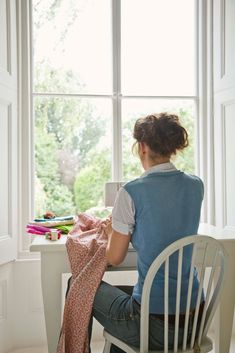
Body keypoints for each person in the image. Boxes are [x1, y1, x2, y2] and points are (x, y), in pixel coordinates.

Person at [89, 112, 204, 352]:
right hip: (195, 320)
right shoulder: (196, 185)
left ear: (142, 147)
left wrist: (111, 232)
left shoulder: (131, 191)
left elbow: (114, 257)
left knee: (78, 285)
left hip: (155, 324)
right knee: (123, 307)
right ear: (173, 147)